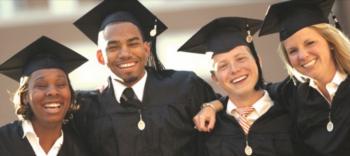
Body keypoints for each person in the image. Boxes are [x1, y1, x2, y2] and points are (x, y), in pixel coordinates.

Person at [71, 0, 217, 156]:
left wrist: (213, 106)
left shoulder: (185, 87)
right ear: (100, 57)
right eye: (113, 47)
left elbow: (227, 120)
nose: (125, 54)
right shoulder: (88, 108)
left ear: (146, 49)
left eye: (133, 44)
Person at [178, 17, 294, 156]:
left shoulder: (289, 112)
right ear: (215, 77)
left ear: (258, 61)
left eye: (241, 59)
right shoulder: (208, 128)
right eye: (223, 65)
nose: (234, 69)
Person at [258, 0, 350, 155]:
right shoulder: (293, 91)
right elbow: (255, 92)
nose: (302, 55)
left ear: (330, 42)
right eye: (293, 51)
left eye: (310, 43)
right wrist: (214, 106)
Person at [0, 36, 89, 156]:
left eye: (60, 84)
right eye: (41, 85)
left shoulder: (80, 150)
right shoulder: (4, 142)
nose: (52, 92)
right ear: (25, 96)